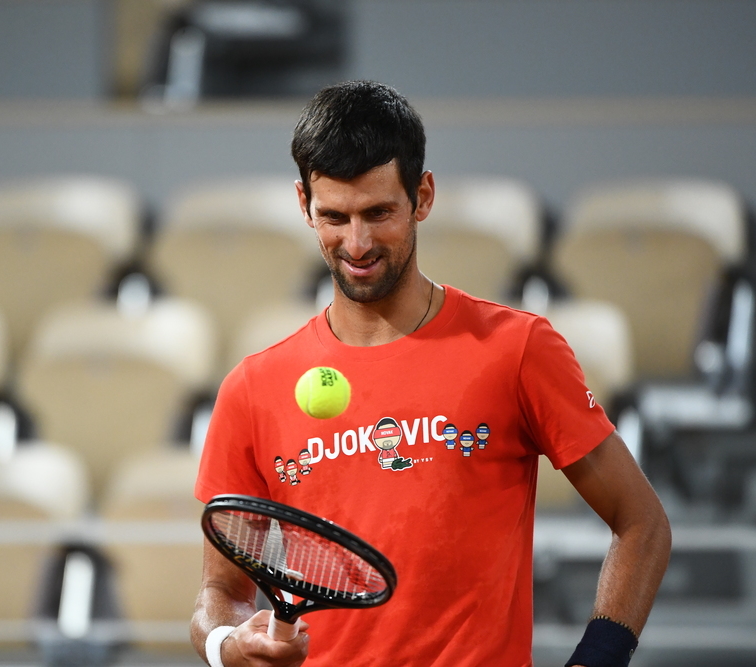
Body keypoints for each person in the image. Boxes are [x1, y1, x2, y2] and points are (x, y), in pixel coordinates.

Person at [191, 80, 671, 667]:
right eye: (334, 217)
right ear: (302, 204)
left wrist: (596, 660)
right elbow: (220, 594)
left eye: (378, 213)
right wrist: (227, 644)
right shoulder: (251, 389)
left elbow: (642, 522)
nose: (357, 243)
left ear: (423, 196)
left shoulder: (517, 349)